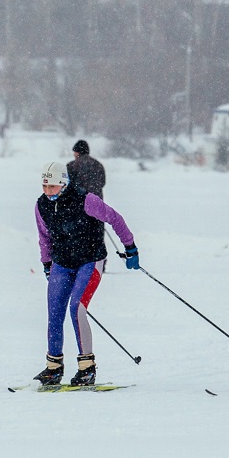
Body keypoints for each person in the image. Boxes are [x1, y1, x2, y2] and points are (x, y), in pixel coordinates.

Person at [34, 161, 140, 386]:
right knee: (54, 312)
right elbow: (44, 236)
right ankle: (53, 367)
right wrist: (46, 263)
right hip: (62, 262)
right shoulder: (41, 205)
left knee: (77, 308)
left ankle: (87, 367)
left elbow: (115, 218)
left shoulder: (86, 200)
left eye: (52, 187)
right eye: (44, 186)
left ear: (63, 184)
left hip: (90, 260)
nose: (47, 191)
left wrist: (130, 247)